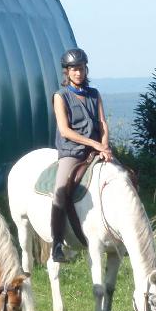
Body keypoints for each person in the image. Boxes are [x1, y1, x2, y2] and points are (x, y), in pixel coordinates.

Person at [50, 47, 112, 262]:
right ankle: (57, 244)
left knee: (125, 176)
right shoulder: (61, 96)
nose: (79, 72)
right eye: (74, 69)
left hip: (96, 150)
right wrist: (95, 143)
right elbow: (66, 130)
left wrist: (104, 146)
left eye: (81, 68)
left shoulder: (94, 94)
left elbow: (102, 122)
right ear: (67, 72)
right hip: (73, 152)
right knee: (60, 191)